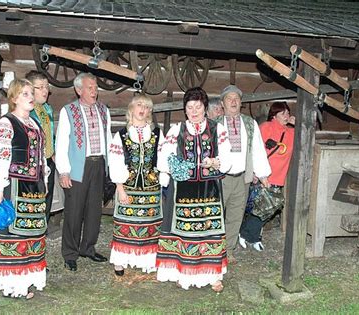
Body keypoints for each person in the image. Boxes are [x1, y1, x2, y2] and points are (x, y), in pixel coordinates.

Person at [0, 79, 49, 299]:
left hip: (33, 187)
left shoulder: (33, 124)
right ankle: (12, 285)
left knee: (30, 233)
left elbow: (40, 156)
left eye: (31, 93)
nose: (30, 97)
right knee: (12, 232)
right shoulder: (6, 124)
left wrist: (43, 178)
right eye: (25, 94)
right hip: (13, 186)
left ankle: (26, 279)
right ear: (14, 98)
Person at [156, 87, 232, 292]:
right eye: (190, 107)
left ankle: (213, 275)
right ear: (185, 109)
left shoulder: (218, 129)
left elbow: (227, 159)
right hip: (184, 189)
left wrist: (217, 162)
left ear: (205, 108)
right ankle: (184, 272)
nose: (194, 111)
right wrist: (177, 166)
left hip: (210, 188)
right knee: (185, 232)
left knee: (210, 231)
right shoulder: (176, 130)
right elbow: (163, 158)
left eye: (198, 106)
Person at [55, 73, 112, 271]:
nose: (94, 91)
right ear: (79, 90)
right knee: (74, 211)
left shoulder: (104, 110)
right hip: (78, 167)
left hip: (99, 164)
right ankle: (70, 253)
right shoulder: (68, 111)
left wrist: (110, 168)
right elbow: (61, 142)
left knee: (94, 210)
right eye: (89, 87)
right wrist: (64, 171)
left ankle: (88, 248)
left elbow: (109, 139)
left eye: (95, 87)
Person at [108, 94, 165, 276]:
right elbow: (115, 162)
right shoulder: (121, 135)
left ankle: (146, 260)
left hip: (151, 188)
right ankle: (121, 260)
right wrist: (120, 189)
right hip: (128, 188)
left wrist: (162, 178)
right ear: (131, 109)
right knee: (126, 225)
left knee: (149, 226)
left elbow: (163, 159)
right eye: (139, 105)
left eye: (147, 107)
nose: (143, 109)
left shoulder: (157, 133)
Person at [215, 85, 271, 254]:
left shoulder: (249, 123)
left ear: (241, 103)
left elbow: (258, 149)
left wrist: (263, 175)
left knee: (235, 216)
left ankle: (228, 250)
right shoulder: (215, 124)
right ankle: (213, 250)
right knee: (216, 215)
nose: (233, 101)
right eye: (229, 98)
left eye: (236, 99)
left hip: (241, 179)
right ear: (222, 104)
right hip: (220, 179)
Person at [239, 101, 295, 251]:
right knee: (261, 207)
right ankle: (250, 236)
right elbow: (255, 150)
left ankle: (247, 233)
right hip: (264, 175)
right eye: (283, 113)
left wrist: (298, 123)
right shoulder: (266, 127)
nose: (286, 116)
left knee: (269, 208)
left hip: (279, 176)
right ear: (274, 116)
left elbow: (308, 134)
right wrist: (256, 172)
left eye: (288, 113)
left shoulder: (291, 132)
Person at [26, 70, 55, 223]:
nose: (45, 91)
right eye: (41, 87)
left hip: (48, 159)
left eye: (47, 87)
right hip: (34, 162)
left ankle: (43, 227)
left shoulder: (47, 109)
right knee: (34, 197)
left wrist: (53, 151)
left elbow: (50, 133)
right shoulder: (27, 112)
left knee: (47, 195)